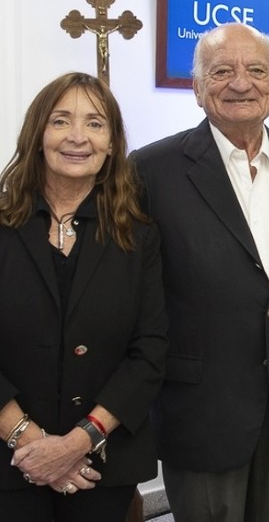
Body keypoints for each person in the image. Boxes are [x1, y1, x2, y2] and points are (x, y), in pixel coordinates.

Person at [132, 23, 269, 522]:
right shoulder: (151, 171)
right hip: (201, 413)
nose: (241, 83)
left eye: (257, 70)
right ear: (197, 88)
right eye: (222, 71)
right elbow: (131, 295)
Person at [0, 72, 168, 521]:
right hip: (8, 461)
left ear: (112, 143)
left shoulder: (140, 237)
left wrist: (77, 443)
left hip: (103, 462)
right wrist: (30, 441)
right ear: (37, 135)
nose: (78, 137)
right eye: (61, 121)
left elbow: (150, 351)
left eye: (95, 124)